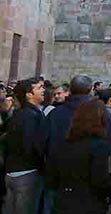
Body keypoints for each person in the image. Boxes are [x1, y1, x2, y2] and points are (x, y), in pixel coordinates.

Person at [45, 99, 111, 214]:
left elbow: (52, 176)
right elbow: (99, 179)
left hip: (63, 199)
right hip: (88, 202)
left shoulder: (64, 144)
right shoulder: (98, 146)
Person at [3, 78, 45, 214]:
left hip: (14, 170)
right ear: (29, 94)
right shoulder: (30, 116)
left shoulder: (20, 114)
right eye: (39, 87)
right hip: (26, 172)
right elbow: (31, 144)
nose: (43, 90)